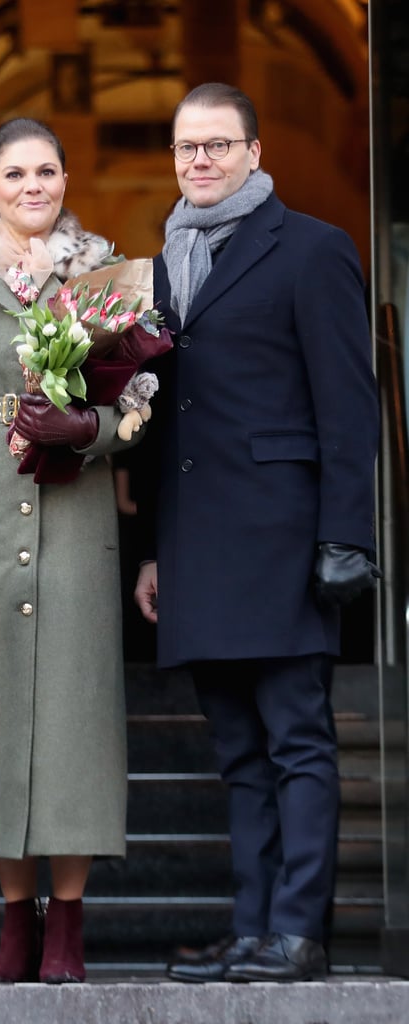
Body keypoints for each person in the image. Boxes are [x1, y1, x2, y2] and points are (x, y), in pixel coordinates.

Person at [132, 82, 380, 983]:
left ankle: (299, 933)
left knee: (297, 740)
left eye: (218, 146)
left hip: (284, 537)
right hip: (198, 542)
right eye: (186, 148)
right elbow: (160, 420)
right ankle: (252, 928)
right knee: (238, 753)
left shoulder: (312, 249)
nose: (200, 162)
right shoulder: (157, 270)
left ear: (255, 153)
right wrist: (155, 548)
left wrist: (346, 535)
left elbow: (350, 407)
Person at [0, 117, 145, 984]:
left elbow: (140, 406)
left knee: (73, 710)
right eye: (15, 173)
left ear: (65, 178)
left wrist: (90, 429)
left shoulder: (109, 278)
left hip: (76, 509)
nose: (33, 186)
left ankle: (68, 923)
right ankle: (15, 915)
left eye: (47, 171)